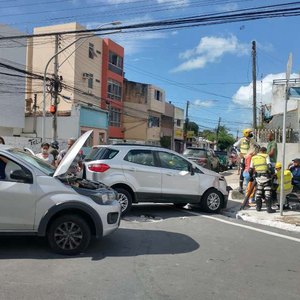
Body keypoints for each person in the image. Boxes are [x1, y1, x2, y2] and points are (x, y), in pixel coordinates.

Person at [249, 147, 276, 213]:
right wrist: (273, 173)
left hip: (258, 178)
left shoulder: (253, 157)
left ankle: (258, 208)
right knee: (267, 193)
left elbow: (250, 169)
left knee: (258, 192)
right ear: (264, 151)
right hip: (266, 177)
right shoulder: (266, 156)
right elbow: (269, 166)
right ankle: (269, 209)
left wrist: (251, 177)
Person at [234, 128, 256, 193]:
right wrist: (239, 153)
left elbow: (257, 146)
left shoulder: (252, 140)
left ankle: (249, 186)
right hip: (243, 158)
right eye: (249, 133)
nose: (251, 134)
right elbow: (234, 146)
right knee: (242, 171)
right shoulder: (242, 140)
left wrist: (254, 151)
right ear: (246, 133)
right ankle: (241, 187)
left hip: (250, 158)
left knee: (250, 171)